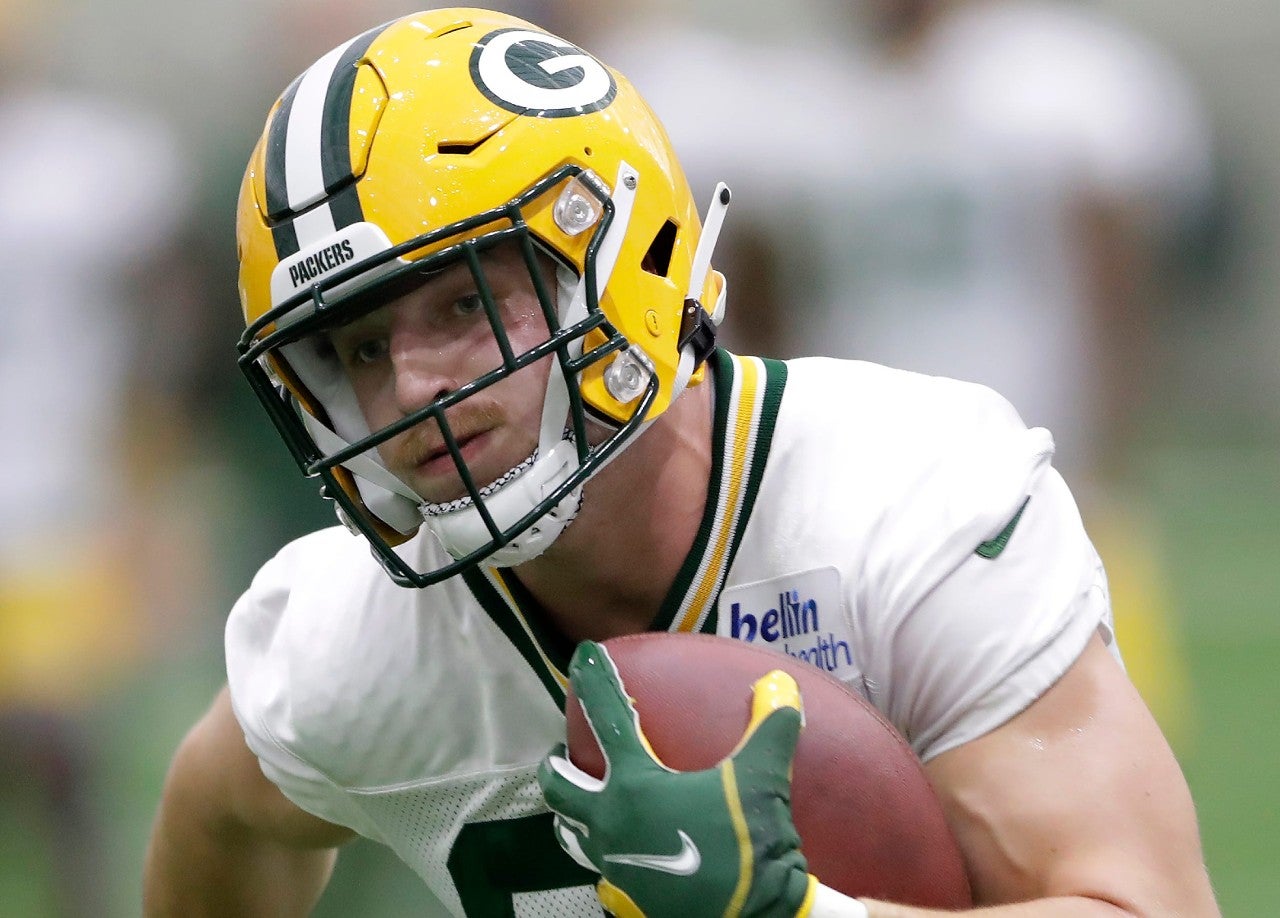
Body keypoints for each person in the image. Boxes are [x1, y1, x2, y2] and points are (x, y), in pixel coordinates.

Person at [143, 8, 1219, 916]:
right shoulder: (350, 642)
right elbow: (218, 814)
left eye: (465, 303)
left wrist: (799, 912)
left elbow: (1142, 900)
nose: (411, 386)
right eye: (360, 349)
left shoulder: (907, 498)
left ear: (622, 261)